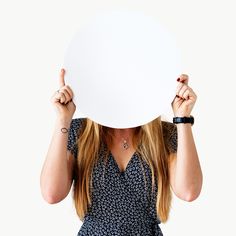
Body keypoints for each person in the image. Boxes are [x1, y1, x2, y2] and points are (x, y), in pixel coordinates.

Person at [40, 68, 203, 236]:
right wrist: (62, 120)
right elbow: (51, 194)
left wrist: (182, 118)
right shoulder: (79, 132)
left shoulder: (165, 134)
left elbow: (189, 191)